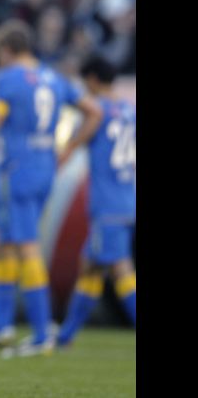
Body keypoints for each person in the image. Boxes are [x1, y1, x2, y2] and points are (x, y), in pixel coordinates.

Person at [0, 20, 102, 356]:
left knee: (26, 246)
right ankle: (2, 327)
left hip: (17, 170)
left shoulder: (7, 80)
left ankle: (43, 332)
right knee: (1, 243)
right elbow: (94, 111)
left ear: (5, 50)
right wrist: (70, 147)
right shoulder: (54, 77)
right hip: (45, 169)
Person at [55, 54, 135, 346]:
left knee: (121, 269)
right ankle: (65, 336)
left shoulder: (97, 110)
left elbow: (86, 130)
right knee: (89, 264)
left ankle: (65, 335)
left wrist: (69, 148)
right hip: (127, 197)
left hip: (107, 202)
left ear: (92, 80)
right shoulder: (129, 110)